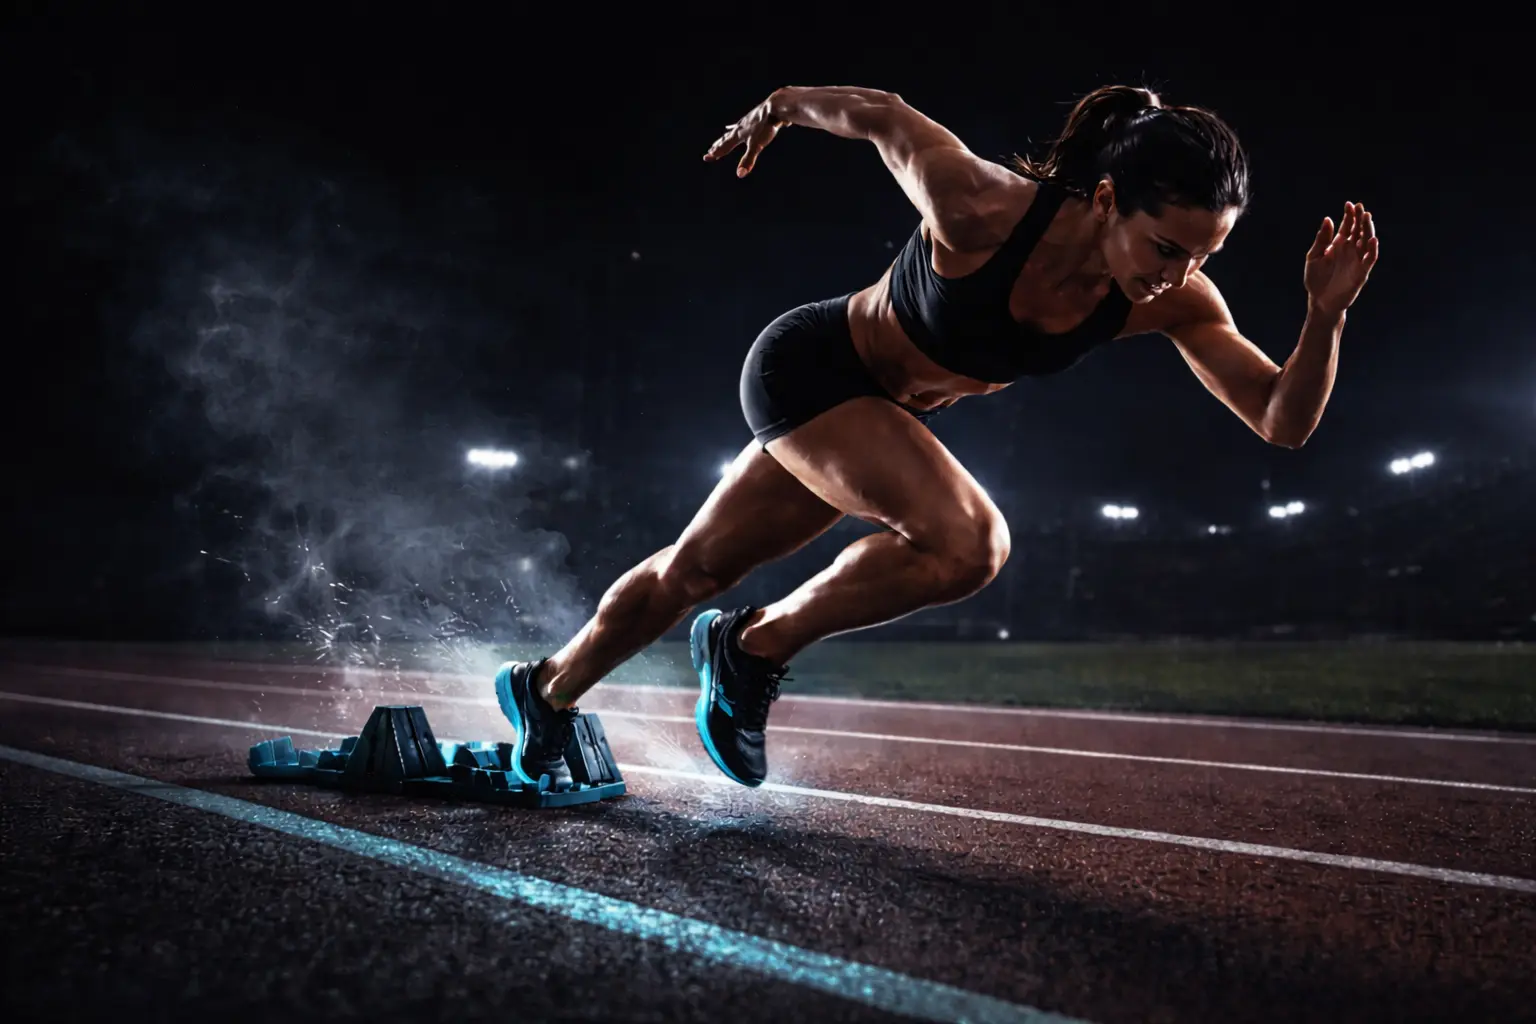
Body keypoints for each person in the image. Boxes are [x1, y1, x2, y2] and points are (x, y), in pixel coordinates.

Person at [493, 83, 1380, 789]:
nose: (1178, 275)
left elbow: (1281, 420)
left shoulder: (1173, 300)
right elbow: (882, 116)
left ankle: (548, 688)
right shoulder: (982, 209)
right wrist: (778, 108)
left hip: (878, 419)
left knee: (698, 569)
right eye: (1163, 248)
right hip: (811, 368)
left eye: (1203, 256)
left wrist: (1324, 316)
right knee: (968, 544)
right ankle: (745, 647)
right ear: (1107, 198)